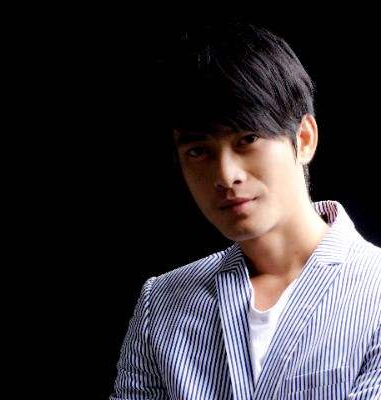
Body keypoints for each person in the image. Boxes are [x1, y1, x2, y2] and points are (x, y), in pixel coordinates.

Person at [109, 21, 381, 399]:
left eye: (247, 139)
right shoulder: (163, 303)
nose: (225, 175)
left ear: (303, 139)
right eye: (199, 151)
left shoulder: (375, 290)